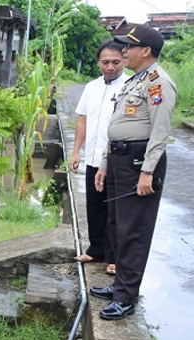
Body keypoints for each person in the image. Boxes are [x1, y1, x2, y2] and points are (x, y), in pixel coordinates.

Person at [91, 25, 177, 320]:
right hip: (119, 160)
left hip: (138, 163)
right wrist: (105, 164)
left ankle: (126, 297)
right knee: (117, 225)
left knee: (133, 230)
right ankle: (119, 286)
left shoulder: (157, 82)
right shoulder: (135, 81)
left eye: (129, 47)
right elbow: (117, 127)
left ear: (147, 51)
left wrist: (148, 172)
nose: (123, 51)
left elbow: (160, 131)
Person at [70, 40, 129, 276]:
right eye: (105, 62)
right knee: (94, 205)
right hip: (93, 158)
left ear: (124, 61)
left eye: (116, 62)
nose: (110, 67)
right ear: (98, 63)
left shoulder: (129, 86)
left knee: (115, 209)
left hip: (117, 160)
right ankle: (96, 250)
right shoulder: (91, 87)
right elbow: (83, 120)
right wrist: (76, 151)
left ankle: (114, 257)